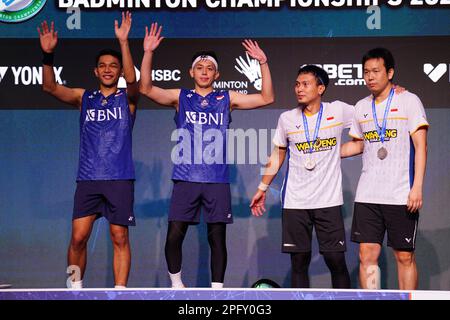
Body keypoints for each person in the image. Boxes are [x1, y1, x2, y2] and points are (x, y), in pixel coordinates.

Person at [139, 23, 274, 288]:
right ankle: (177, 286)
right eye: (199, 68)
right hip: (186, 178)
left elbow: (267, 97)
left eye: (209, 68)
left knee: (217, 238)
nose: (204, 72)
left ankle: (217, 291)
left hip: (217, 180)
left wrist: (264, 63)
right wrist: (148, 53)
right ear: (191, 72)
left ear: (217, 74)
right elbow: (145, 89)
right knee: (174, 236)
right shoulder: (181, 96)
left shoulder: (226, 97)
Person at [38, 12, 139, 289]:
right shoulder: (85, 98)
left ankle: (121, 292)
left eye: (113, 66)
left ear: (119, 71)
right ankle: (74, 289)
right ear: (96, 71)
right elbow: (49, 86)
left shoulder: (128, 99)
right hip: (89, 178)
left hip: (119, 178)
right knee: (78, 238)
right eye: (103, 66)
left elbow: (133, 81)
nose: (108, 69)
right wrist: (48, 56)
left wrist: (124, 43)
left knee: (119, 237)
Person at [250, 65, 352, 288]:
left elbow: (368, 118)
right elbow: (277, 154)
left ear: (321, 88)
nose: (299, 89)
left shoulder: (339, 111)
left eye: (305, 84)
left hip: (329, 200)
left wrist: (339, 152)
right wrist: (262, 187)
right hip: (296, 201)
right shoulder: (287, 118)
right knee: (299, 261)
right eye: (297, 84)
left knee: (336, 260)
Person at [341, 48, 428, 290]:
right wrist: (326, 151)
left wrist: (417, 187)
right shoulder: (361, 106)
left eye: (376, 71)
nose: (370, 77)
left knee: (404, 257)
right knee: (367, 257)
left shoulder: (409, 100)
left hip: (401, 193)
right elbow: (359, 144)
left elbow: (421, 146)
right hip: (367, 194)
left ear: (390, 72)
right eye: (366, 72)